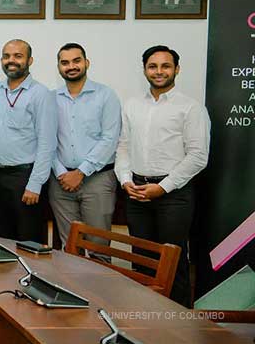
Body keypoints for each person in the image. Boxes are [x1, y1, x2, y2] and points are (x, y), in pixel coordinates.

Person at [115, 45, 210, 306]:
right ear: (145, 69)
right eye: (153, 66)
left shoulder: (191, 108)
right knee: (142, 260)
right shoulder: (132, 105)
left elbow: (198, 156)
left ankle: (178, 321)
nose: (159, 71)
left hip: (174, 195)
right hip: (137, 192)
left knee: (173, 262)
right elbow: (124, 146)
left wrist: (163, 187)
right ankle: (145, 317)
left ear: (177, 69)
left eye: (165, 66)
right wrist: (125, 180)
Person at [0, 39, 56, 242]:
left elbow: (47, 144)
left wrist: (35, 184)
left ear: (30, 60)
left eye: (18, 56)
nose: (11, 60)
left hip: (26, 178)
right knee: (1, 240)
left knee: (29, 241)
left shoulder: (41, 94)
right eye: (6, 56)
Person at [49, 43, 121, 250]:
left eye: (76, 61)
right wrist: (61, 173)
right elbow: (46, 140)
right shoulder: (51, 98)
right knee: (69, 247)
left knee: (98, 246)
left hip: (97, 180)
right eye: (65, 62)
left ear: (87, 63)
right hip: (61, 182)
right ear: (59, 67)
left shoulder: (106, 95)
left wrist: (80, 172)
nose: (71, 66)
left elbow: (110, 138)